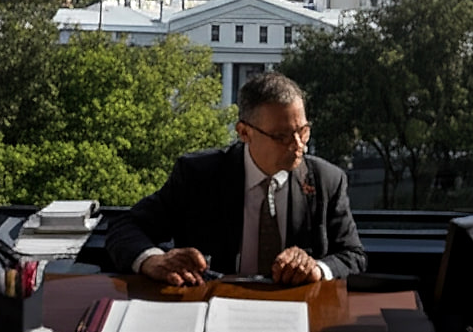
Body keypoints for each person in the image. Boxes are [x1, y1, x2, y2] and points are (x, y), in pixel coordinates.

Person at [105, 71, 367, 286]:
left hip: (297, 311)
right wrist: (153, 260)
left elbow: (353, 256)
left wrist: (317, 268)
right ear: (244, 132)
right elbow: (125, 227)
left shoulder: (327, 180)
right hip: (212, 307)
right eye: (282, 136)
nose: (299, 145)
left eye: (303, 131)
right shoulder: (199, 175)